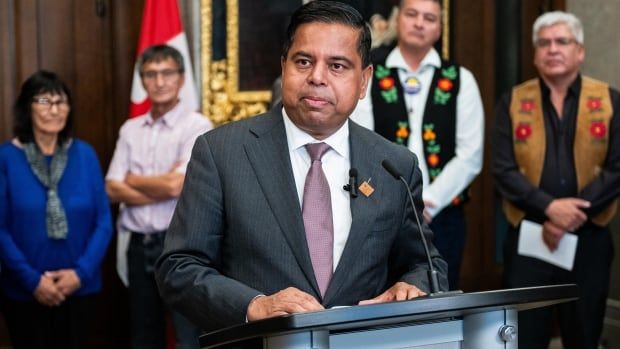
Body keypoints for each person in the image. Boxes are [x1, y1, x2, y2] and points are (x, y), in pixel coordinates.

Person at [155, 1, 448, 333]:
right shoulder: (221, 153)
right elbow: (179, 268)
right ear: (284, 67)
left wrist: (411, 286)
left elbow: (424, 264)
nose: (317, 78)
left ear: (364, 80)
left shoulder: (394, 165)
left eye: (337, 66)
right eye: (304, 61)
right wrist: (254, 306)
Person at [493, 11, 620, 349]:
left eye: (562, 41)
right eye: (544, 43)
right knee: (526, 336)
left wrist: (569, 215)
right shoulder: (514, 101)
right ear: (535, 55)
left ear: (579, 50)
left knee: (583, 333)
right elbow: (503, 170)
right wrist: (550, 208)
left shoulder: (609, 99)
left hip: (589, 237)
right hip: (529, 237)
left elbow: (617, 168)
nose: (553, 49)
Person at [351, 0, 484, 290]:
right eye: (411, 15)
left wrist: (430, 202)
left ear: (439, 29)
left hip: (443, 215)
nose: (420, 23)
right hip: (381, 211)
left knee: (440, 297)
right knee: (383, 294)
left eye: (429, 18)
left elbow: (470, 155)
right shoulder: (370, 74)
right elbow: (360, 141)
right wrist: (399, 201)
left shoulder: (460, 79)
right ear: (397, 20)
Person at [106, 45, 212, 349]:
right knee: (143, 334)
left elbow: (176, 187)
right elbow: (112, 188)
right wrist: (159, 183)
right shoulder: (130, 129)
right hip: (139, 246)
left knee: (187, 336)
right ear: (142, 81)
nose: (159, 81)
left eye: (167, 73)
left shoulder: (197, 126)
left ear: (181, 79)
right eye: (150, 74)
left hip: (179, 245)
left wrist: (134, 180)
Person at [0, 70, 113, 349]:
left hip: (81, 287)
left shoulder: (85, 154)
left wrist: (80, 274)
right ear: (27, 107)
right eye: (44, 101)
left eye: (61, 102)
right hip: (25, 291)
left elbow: (103, 221)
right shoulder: (6, 157)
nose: (55, 110)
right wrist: (32, 281)